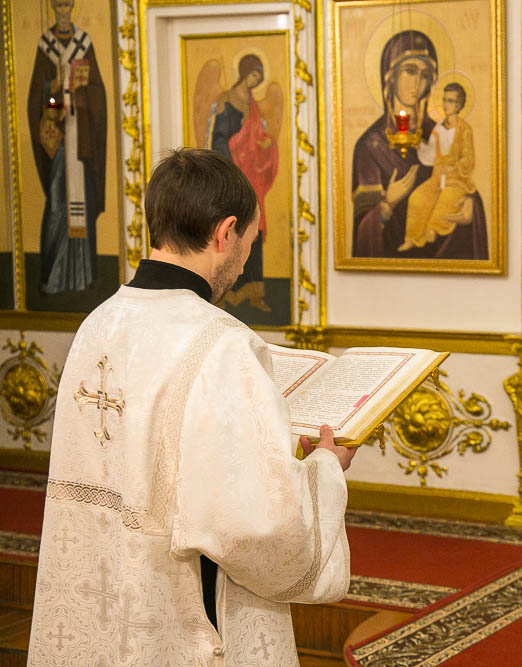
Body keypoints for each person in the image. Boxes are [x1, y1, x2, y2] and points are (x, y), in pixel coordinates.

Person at [28, 149, 356, 664]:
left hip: (107, 592)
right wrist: (324, 470)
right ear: (225, 233)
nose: (244, 263)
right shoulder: (223, 343)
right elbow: (261, 528)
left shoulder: (98, 323)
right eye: (250, 242)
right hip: (184, 608)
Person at [351, 30, 488, 260]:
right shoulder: (370, 146)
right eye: (410, 71)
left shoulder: (441, 130)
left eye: (425, 75)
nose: (417, 82)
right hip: (393, 269)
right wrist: (387, 204)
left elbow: (460, 178)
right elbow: (362, 233)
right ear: (390, 76)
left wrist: (469, 204)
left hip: (446, 262)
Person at [27, 0, 107, 294]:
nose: (62, 11)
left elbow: (98, 92)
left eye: (66, 5)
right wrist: (54, 86)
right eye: (58, 5)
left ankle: (83, 277)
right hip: (59, 140)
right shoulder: (45, 45)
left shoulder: (83, 44)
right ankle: (52, 277)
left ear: (72, 7)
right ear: (52, 7)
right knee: (56, 204)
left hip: (81, 139)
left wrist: (81, 93)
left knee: (82, 204)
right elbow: (37, 98)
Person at [208, 53, 278, 313]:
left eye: (259, 78)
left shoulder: (252, 104)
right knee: (231, 235)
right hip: (234, 178)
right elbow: (218, 139)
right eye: (253, 75)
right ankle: (227, 292)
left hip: (252, 178)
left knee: (253, 233)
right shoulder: (227, 101)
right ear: (244, 72)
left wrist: (262, 143)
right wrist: (232, 167)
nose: (255, 81)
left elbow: (257, 135)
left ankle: (255, 292)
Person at [400, 82, 478, 251]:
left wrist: (454, 167)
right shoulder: (438, 128)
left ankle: (432, 230)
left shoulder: (465, 129)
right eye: (444, 100)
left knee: (445, 201)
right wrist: (418, 145)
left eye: (450, 101)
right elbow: (430, 156)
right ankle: (412, 238)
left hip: (456, 180)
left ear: (458, 105)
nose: (445, 104)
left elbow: (469, 158)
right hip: (437, 178)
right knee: (416, 198)